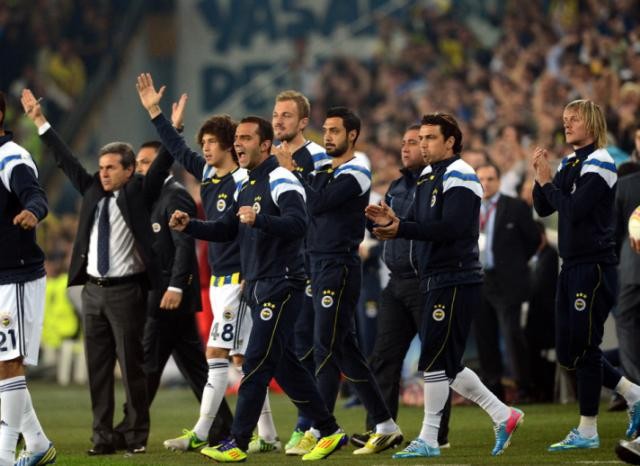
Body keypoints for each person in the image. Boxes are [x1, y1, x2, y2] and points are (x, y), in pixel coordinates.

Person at [170, 115, 347, 462]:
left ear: (265, 144)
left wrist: (260, 218)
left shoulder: (283, 179)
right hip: (256, 284)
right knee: (284, 367)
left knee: (255, 363)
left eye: (246, 138)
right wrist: (191, 225)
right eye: (236, 138)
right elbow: (225, 229)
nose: (238, 143)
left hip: (281, 283)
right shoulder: (244, 183)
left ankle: (236, 441)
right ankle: (330, 430)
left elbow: (300, 224)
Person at [21, 88, 173, 456]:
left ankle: (136, 434)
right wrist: (40, 121)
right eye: (101, 167)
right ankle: (102, 437)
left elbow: (164, 164)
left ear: (129, 170)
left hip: (126, 293)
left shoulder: (139, 192)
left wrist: (166, 121)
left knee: (132, 368)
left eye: (110, 168)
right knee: (98, 370)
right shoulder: (90, 190)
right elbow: (65, 158)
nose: (102, 173)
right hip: (92, 292)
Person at [366, 113, 523, 459]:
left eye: (430, 138)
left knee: (435, 362)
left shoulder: (461, 174)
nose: (423, 144)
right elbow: (422, 224)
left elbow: (453, 227)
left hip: (455, 275)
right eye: (420, 138)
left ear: (450, 141)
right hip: (434, 276)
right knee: (446, 363)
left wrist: (401, 229)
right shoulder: (427, 176)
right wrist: (395, 221)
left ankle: (430, 439)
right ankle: (503, 414)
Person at [276, 106, 402, 456]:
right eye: (326, 130)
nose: (328, 136)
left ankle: (320, 429)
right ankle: (386, 424)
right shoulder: (326, 168)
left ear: (352, 135)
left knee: (325, 347)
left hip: (339, 265)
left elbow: (316, 204)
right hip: (317, 263)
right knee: (344, 349)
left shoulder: (358, 169)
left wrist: (294, 172)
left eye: (335, 131)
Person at [135, 73, 250, 453]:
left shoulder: (245, 183)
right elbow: (175, 146)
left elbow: (237, 231)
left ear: (229, 146)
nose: (204, 149)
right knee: (243, 358)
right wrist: (155, 111)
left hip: (240, 279)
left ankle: (203, 431)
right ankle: (267, 436)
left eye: (211, 143)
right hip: (219, 279)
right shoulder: (207, 175)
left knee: (217, 354)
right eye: (202, 143)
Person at [532, 99, 640, 451]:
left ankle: (588, 430)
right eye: (564, 119)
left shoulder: (602, 162)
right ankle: (633, 393)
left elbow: (575, 210)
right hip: (572, 264)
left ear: (592, 124)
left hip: (594, 266)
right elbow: (545, 206)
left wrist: (550, 184)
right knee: (569, 351)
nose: (567, 124)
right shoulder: (572, 162)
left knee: (584, 347)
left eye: (573, 119)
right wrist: (541, 179)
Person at [352, 124, 452, 449]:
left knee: (437, 360)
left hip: (426, 281)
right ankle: (382, 427)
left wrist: (392, 220)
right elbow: (385, 226)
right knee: (383, 358)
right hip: (396, 282)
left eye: (416, 142)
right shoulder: (395, 186)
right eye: (406, 142)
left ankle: (439, 433)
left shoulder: (434, 185)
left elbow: (424, 225)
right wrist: (373, 218)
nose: (408, 148)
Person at [271, 90, 330, 454]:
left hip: (311, 263)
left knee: (308, 347)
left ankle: (308, 426)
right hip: (278, 266)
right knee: (287, 348)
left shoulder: (319, 157)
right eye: (276, 115)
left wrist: (290, 172)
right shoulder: (269, 159)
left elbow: (322, 207)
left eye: (287, 116)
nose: (279, 121)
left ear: (303, 122)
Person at [0, 90, 55, 466]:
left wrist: (32, 212)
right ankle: (36, 444)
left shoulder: (12, 157)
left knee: (9, 362)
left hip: (15, 275)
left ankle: (3, 457)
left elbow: (36, 195)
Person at [474, 161, 540, 401]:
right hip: (479, 280)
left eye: (490, 179)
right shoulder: (469, 209)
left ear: (499, 181)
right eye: (481, 179)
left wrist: (515, 265)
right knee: (485, 336)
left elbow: (533, 239)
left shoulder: (515, 207)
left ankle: (525, 387)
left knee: (512, 335)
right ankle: (493, 390)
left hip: (509, 282)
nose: (486, 184)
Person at [614, 165, 640, 385]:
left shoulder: (625, 186)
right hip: (630, 267)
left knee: (626, 320)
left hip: (632, 267)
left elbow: (613, 230)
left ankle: (633, 383)